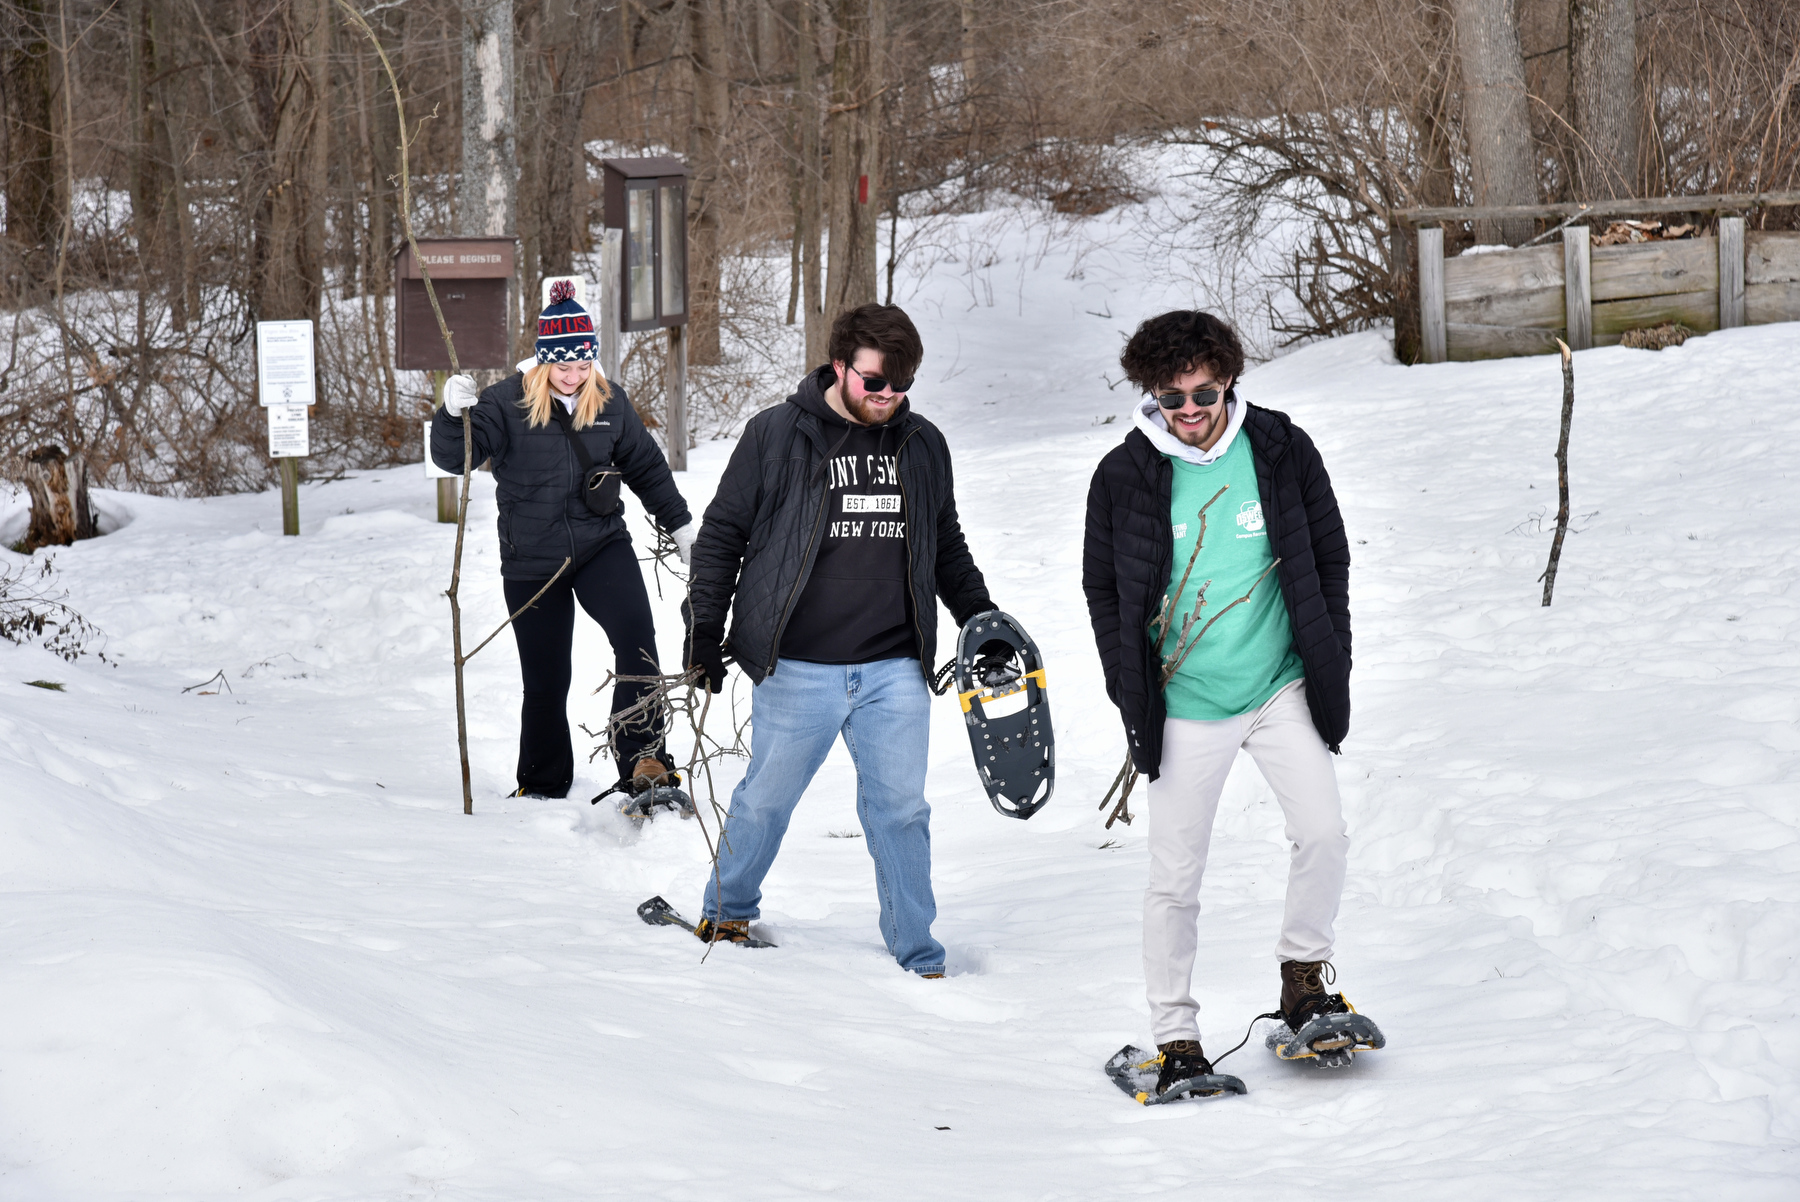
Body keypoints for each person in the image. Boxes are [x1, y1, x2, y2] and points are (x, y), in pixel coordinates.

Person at [1082, 309, 1354, 1095]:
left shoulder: (1279, 448)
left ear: (1228, 378)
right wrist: (1131, 689)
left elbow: (1327, 558)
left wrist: (1329, 655)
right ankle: (1176, 1038)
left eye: (1203, 391)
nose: (1191, 410)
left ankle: (1303, 982)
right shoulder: (1125, 475)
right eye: (1173, 397)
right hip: (1186, 705)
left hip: (1278, 688)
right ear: (1152, 396)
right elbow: (1105, 592)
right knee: (1176, 876)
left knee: (1325, 834)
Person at [683, 303, 995, 975]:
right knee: (765, 798)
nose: (888, 398)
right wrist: (705, 627)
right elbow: (721, 536)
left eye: (901, 387)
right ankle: (727, 910)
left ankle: (919, 950)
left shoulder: (922, 444)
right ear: (840, 364)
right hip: (798, 665)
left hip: (895, 668)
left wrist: (981, 617)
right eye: (874, 383)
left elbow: (947, 546)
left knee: (901, 811)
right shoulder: (775, 435)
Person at [431, 280, 696, 802]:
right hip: (532, 559)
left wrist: (682, 526)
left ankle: (644, 759)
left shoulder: (610, 402)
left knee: (638, 645)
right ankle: (543, 783)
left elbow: (647, 469)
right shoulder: (504, 404)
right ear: (543, 360)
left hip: (602, 546)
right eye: (563, 367)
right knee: (547, 679)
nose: (574, 377)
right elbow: (453, 457)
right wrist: (450, 414)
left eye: (583, 366)